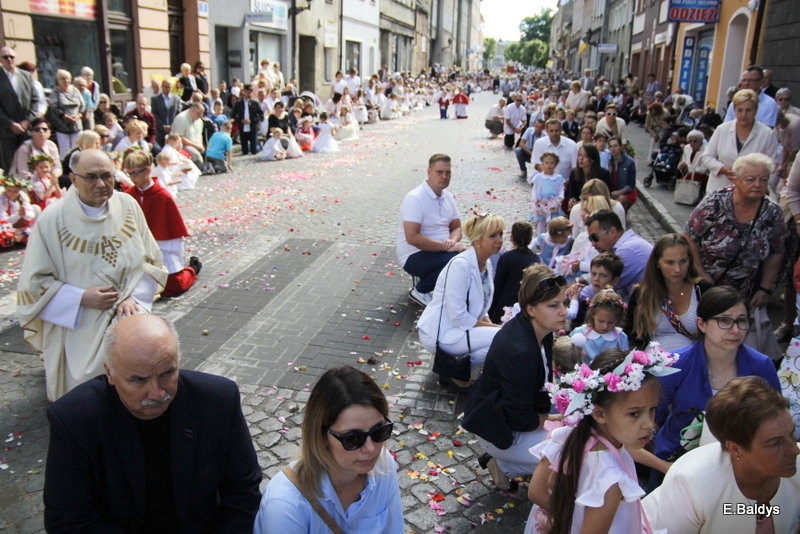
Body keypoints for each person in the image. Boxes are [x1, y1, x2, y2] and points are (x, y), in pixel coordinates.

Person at [43, 314, 261, 531]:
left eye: (167, 373)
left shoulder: (218, 401)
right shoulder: (75, 420)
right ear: (110, 373)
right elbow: (69, 520)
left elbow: (243, 492)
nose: (157, 393)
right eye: (139, 380)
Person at [15, 149, 167, 401]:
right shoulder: (52, 220)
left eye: (107, 176)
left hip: (128, 313)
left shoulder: (128, 205)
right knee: (88, 390)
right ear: (73, 179)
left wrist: (135, 297)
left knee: (144, 371)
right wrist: (80, 297)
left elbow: (150, 259)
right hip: (78, 320)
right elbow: (35, 284)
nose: (101, 184)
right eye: (91, 177)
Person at [525, 346, 678, 534]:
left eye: (652, 409)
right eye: (635, 413)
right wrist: (576, 520)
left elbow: (536, 491)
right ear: (599, 413)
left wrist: (663, 465)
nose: (649, 424)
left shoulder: (568, 434)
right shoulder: (610, 482)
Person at [254, 366, 403, 533]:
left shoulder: (384, 465)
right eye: (353, 439)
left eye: (379, 431)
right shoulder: (285, 505)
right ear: (322, 436)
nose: (371, 449)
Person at [643, 376, 800, 533]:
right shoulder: (692, 482)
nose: (794, 449)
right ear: (735, 449)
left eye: (792, 433)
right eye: (775, 443)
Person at [463, 265, 567, 490]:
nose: (564, 311)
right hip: (498, 428)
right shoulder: (521, 352)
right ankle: (504, 464)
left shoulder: (540, 330)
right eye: (553, 305)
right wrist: (556, 420)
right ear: (531, 309)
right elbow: (520, 418)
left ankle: (504, 465)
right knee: (567, 453)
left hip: (508, 415)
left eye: (564, 303)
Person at [651, 286, 781, 464]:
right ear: (702, 324)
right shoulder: (676, 363)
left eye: (742, 321)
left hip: (743, 460)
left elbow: (775, 418)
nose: (735, 330)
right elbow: (651, 416)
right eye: (724, 321)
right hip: (678, 458)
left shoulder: (762, 365)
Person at [684, 153, 785, 306]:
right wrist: (701, 275)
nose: (758, 184)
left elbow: (776, 252)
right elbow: (688, 237)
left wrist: (765, 289)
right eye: (751, 179)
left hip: (743, 292)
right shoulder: (715, 202)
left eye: (763, 179)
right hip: (703, 286)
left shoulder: (773, 213)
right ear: (736, 179)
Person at [416, 214, 504, 386]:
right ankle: (453, 370)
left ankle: (455, 369)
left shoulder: (487, 263)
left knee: (501, 337)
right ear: (478, 240)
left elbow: (482, 306)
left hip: (459, 329)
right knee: (503, 337)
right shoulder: (461, 265)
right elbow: (458, 316)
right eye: (493, 235)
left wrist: (490, 324)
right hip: (440, 333)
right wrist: (493, 328)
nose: (500, 240)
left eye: (501, 234)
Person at [122, 149, 201, 297]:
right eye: (129, 173)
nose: (132, 178)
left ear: (148, 170)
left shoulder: (162, 196)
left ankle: (191, 269)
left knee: (172, 286)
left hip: (161, 249)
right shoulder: (129, 196)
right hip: (136, 251)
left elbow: (172, 230)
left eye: (136, 173)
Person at [396, 153, 465, 305]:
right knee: (458, 260)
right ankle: (420, 290)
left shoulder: (448, 197)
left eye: (448, 172)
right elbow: (412, 237)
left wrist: (451, 242)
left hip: (439, 251)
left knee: (467, 257)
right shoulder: (415, 198)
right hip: (414, 255)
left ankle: (442, 289)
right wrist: (445, 247)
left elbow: (457, 227)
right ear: (429, 172)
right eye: (439, 172)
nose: (444, 176)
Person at [626, 234, 711, 351]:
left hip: (693, 362)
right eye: (670, 263)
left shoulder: (702, 290)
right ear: (657, 263)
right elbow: (631, 336)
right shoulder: (642, 293)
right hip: (652, 364)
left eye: (683, 261)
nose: (677, 269)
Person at [702, 89, 781, 193]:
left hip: (751, 192)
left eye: (748, 110)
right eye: (739, 110)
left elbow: (772, 165)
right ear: (734, 110)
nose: (743, 115)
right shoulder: (722, 129)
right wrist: (723, 169)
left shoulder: (766, 133)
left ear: (756, 110)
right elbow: (706, 157)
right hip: (719, 189)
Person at [586, 209, 653, 300]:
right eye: (590, 239)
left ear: (612, 232)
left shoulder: (626, 251)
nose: (593, 243)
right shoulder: (628, 244)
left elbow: (600, 287)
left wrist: (573, 294)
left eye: (594, 237)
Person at [488, 221, 539, 323]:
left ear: (512, 238)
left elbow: (498, 284)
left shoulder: (506, 257)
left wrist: (490, 308)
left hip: (505, 302)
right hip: (524, 302)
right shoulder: (535, 258)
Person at [0, 46, 41, 173]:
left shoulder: (26, 76)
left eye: (11, 57)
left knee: (30, 164)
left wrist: (27, 121)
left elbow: (35, 100)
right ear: (0, 60)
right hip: (6, 130)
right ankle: (12, 192)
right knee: (10, 166)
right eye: (5, 57)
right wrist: (10, 123)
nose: (9, 60)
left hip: (26, 129)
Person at [569, 289, 629, 362]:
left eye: (611, 322)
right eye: (601, 321)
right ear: (592, 315)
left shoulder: (621, 337)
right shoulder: (579, 332)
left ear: (618, 319)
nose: (605, 326)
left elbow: (625, 360)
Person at [48, 69, 85, 158]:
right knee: (65, 153)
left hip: (76, 124)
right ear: (58, 80)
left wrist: (79, 115)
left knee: (77, 150)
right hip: (62, 126)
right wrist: (65, 116)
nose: (66, 81)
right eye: (63, 78)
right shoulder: (55, 92)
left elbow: (82, 105)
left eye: (68, 78)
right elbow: (54, 107)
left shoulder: (75, 90)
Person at [11, 117, 62, 182]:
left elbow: (58, 167)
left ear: (49, 132)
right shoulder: (25, 148)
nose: (41, 131)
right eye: (37, 129)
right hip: (28, 183)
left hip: (49, 180)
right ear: (32, 132)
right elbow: (23, 173)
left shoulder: (52, 146)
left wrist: (53, 175)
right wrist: (39, 180)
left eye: (45, 129)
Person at [531, 119, 578, 184]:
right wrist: (551, 178)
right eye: (551, 131)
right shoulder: (539, 143)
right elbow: (537, 164)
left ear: (561, 130)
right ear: (546, 131)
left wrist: (567, 181)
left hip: (566, 183)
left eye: (557, 130)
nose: (554, 133)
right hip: (545, 181)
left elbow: (575, 168)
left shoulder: (572, 145)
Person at [565, 144, 612, 211]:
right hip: (579, 208)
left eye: (585, 156)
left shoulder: (604, 174)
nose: (581, 159)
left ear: (592, 159)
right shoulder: (574, 173)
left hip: (598, 207)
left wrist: (583, 203)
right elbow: (572, 194)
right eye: (580, 155)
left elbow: (605, 195)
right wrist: (572, 200)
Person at [528, 152, 565, 234]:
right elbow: (535, 189)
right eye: (546, 163)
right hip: (541, 203)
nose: (549, 165)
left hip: (553, 203)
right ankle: (540, 239)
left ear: (555, 164)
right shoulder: (538, 178)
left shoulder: (558, 178)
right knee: (541, 223)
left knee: (552, 223)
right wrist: (535, 199)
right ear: (542, 164)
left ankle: (551, 238)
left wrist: (560, 199)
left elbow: (561, 189)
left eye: (552, 163)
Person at [0, 172, 37, 247]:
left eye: (15, 191)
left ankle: (21, 236)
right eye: (9, 190)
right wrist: (18, 215)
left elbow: (31, 214)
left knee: (36, 208)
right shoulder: (2, 200)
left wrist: (24, 214)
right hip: (5, 227)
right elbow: (3, 221)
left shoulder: (22, 197)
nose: (12, 193)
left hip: (20, 227)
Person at [171, 103, 206, 167]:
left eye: (202, 113)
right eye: (198, 113)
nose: (200, 116)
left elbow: (200, 135)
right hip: (182, 145)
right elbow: (179, 137)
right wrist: (196, 146)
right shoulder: (181, 118)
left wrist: (200, 145)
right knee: (197, 156)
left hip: (196, 144)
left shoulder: (199, 121)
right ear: (192, 111)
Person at [232, 84, 262, 156]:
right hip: (242, 127)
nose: (248, 93)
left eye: (250, 92)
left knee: (254, 150)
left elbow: (261, 115)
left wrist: (252, 120)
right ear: (243, 92)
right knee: (244, 151)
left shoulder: (255, 103)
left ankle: (259, 147)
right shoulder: (238, 104)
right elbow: (233, 115)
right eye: (246, 92)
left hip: (252, 127)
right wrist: (240, 120)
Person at [607, 137, 637, 210]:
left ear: (620, 147)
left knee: (620, 201)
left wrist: (620, 192)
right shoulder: (608, 160)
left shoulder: (629, 162)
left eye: (615, 146)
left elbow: (631, 185)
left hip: (625, 192)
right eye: (610, 146)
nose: (613, 149)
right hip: (611, 192)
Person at [151, 78, 182, 147]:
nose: (168, 89)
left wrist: (172, 125)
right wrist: (163, 126)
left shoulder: (176, 99)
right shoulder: (155, 99)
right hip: (160, 130)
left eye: (169, 87)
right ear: (162, 87)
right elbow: (154, 115)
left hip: (173, 129)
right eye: (166, 87)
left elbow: (178, 113)